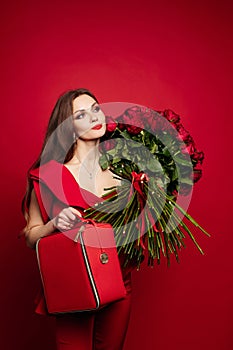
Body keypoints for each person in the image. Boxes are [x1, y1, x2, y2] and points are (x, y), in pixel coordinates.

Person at [21, 88, 134, 350]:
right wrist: (53, 224)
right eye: (81, 114)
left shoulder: (123, 171)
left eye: (96, 108)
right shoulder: (48, 175)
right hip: (74, 283)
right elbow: (30, 237)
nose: (95, 116)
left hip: (119, 281)